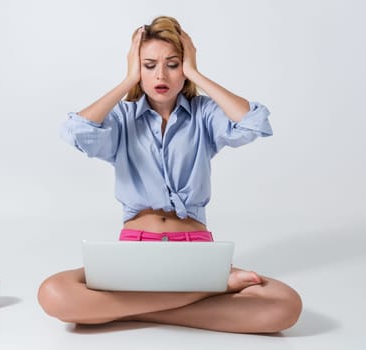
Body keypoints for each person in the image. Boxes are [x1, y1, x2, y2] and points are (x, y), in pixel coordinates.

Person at [38, 16, 302, 333]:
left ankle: (123, 312)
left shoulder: (204, 114)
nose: (161, 74)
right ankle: (201, 296)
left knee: (285, 304)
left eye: (173, 64)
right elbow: (75, 132)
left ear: (184, 66)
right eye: (149, 65)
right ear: (138, 68)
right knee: (52, 292)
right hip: (135, 251)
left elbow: (253, 123)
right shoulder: (121, 118)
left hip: (196, 251)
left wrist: (196, 74)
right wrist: (127, 80)